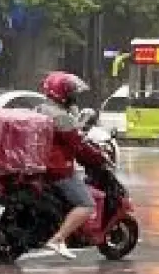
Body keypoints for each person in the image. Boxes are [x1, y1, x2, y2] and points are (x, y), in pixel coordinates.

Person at [37, 71, 110, 259]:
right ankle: (58, 239)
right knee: (86, 204)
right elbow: (78, 145)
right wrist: (100, 157)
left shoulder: (40, 109)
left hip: (40, 168)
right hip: (58, 170)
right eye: (71, 93)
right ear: (62, 93)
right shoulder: (61, 117)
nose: (74, 97)